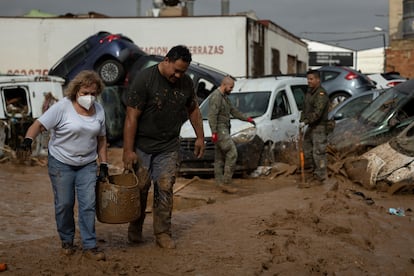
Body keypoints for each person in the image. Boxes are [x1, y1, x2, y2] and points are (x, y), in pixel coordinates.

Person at [17, 70, 108, 261]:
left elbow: (101, 139)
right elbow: (38, 125)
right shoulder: (62, 107)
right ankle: (67, 240)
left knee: (88, 205)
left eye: (93, 93)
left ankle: (90, 245)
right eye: (85, 93)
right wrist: (27, 140)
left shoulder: (99, 110)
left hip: (87, 165)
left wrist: (104, 164)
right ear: (76, 91)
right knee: (65, 204)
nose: (89, 97)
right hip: (61, 163)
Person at [122, 45, 205, 249]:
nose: (178, 75)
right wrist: (128, 150)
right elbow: (132, 116)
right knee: (140, 189)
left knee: (165, 188)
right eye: (175, 70)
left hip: (168, 146)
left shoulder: (185, 83)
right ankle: (135, 229)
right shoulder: (145, 79)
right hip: (142, 144)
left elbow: (193, 109)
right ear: (166, 60)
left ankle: (162, 233)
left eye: (182, 71)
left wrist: (200, 138)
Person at [207, 75, 255, 194]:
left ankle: (219, 183)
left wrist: (246, 119)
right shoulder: (216, 97)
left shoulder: (224, 97)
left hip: (224, 129)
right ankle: (226, 183)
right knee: (232, 153)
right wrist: (214, 132)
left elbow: (233, 111)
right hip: (220, 129)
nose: (232, 89)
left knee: (219, 157)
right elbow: (212, 116)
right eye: (231, 87)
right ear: (224, 85)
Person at [298, 69, 330, 188]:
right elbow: (305, 109)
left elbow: (317, 113)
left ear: (318, 80)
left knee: (319, 152)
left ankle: (320, 176)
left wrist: (305, 121)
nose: (309, 81)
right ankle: (312, 173)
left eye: (311, 79)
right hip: (311, 126)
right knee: (307, 150)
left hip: (319, 127)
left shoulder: (321, 94)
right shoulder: (309, 92)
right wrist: (302, 120)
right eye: (308, 79)